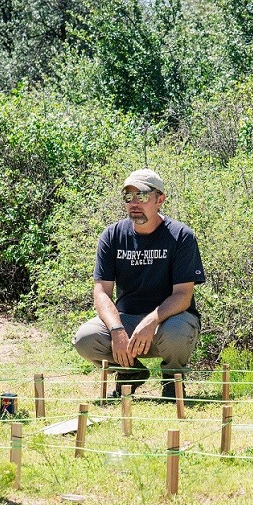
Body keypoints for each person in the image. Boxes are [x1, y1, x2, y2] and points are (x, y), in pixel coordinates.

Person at [72, 168, 205, 399]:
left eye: (142, 196)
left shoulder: (181, 236)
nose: (134, 203)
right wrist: (116, 329)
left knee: (176, 333)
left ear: (159, 199)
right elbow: (101, 292)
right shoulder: (112, 235)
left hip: (169, 320)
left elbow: (183, 295)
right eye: (128, 197)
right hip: (126, 322)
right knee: (85, 338)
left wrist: (151, 321)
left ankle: (173, 382)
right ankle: (129, 372)